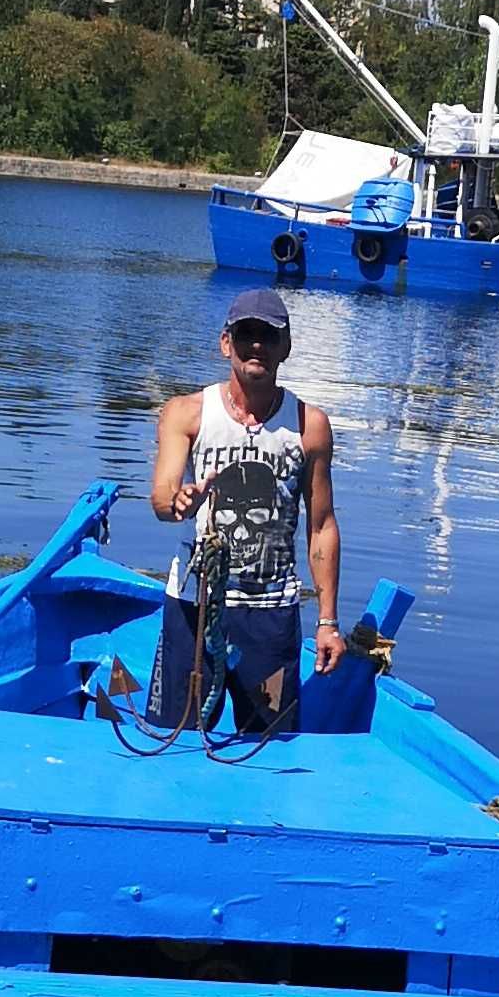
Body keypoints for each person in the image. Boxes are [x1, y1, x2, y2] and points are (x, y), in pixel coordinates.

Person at [147, 289, 343, 734]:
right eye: (245, 334)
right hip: (193, 610)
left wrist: (328, 621)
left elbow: (321, 526)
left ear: (285, 347)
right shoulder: (186, 413)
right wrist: (177, 503)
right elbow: (162, 496)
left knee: (269, 747)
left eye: (268, 336)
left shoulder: (309, 426)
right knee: (174, 740)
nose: (257, 345)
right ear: (225, 343)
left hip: (271, 617)